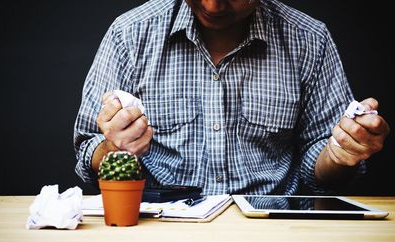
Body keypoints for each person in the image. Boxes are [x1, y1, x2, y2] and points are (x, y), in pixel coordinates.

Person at [74, 0, 390, 195]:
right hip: (157, 234)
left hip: (273, 235)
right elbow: (87, 148)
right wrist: (112, 149)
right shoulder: (130, 34)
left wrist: (340, 152)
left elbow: (322, 173)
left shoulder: (309, 39)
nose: (212, 5)